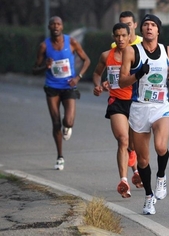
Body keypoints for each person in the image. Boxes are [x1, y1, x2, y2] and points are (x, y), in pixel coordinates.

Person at [119, 14, 169, 215]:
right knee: (143, 161)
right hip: (139, 108)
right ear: (141, 30)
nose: (149, 28)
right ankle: (148, 196)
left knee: (161, 146)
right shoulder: (131, 51)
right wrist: (138, 74)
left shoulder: (167, 50)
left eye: (153, 25)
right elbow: (122, 81)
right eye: (145, 25)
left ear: (158, 30)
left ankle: (161, 177)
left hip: (161, 105)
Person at [32, 16, 91, 171]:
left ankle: (68, 127)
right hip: (52, 87)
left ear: (62, 27)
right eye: (53, 24)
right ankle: (60, 156)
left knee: (69, 121)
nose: (56, 26)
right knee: (56, 122)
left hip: (69, 86)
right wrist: (45, 66)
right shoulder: (44, 46)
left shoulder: (71, 42)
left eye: (58, 24)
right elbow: (34, 70)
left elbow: (87, 60)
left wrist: (78, 77)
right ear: (49, 27)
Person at [93, 23, 143, 199]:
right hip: (116, 102)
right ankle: (124, 180)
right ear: (113, 37)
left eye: (124, 35)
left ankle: (134, 162)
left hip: (136, 102)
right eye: (117, 36)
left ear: (130, 36)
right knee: (122, 139)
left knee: (134, 144)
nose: (120, 39)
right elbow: (98, 73)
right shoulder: (107, 55)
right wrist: (98, 85)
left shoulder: (137, 55)